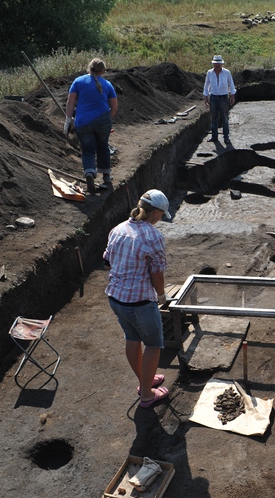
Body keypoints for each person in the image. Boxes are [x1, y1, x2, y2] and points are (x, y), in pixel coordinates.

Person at [103, 189, 171, 408]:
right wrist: (161, 296)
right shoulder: (153, 236)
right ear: (155, 213)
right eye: (161, 215)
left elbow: (107, 261)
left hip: (116, 298)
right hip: (140, 302)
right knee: (153, 345)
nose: (160, 219)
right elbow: (157, 274)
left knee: (132, 340)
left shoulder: (118, 229)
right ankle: (147, 395)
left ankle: (146, 381)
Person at [65, 58, 118, 194]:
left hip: (83, 122)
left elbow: (70, 102)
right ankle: (106, 176)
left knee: (88, 149)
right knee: (103, 146)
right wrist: (108, 121)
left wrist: (67, 121)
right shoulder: (107, 84)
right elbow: (114, 106)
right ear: (103, 71)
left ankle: (89, 173)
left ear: (89, 68)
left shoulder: (78, 81)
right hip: (103, 120)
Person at [203, 55, 236, 144]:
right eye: (215, 64)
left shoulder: (227, 73)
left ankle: (226, 137)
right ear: (213, 64)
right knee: (214, 118)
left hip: (223, 98)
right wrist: (206, 97)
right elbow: (206, 85)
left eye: (219, 64)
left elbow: (231, 84)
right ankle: (214, 136)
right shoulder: (209, 73)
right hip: (213, 98)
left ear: (221, 64)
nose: (217, 65)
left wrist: (232, 96)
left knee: (225, 118)